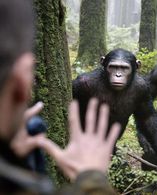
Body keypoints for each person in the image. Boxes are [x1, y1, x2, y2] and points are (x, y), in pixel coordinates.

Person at [0, 0, 120, 194]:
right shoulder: (84, 83)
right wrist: (92, 180)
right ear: (23, 79)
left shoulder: (141, 88)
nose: (118, 75)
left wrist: (9, 158)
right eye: (114, 68)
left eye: (123, 69)